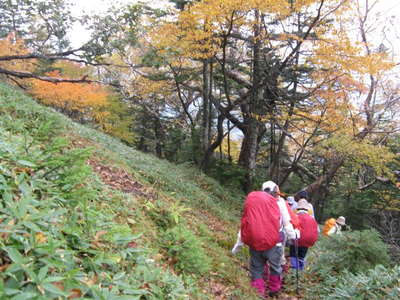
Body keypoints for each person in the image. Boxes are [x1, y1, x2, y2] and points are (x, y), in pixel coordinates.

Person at [238, 181, 296, 298]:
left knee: (256, 267)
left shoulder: (254, 202)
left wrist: (239, 242)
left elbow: (245, 222)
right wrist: (293, 236)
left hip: (255, 241)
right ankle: (274, 289)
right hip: (275, 242)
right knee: (275, 266)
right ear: (276, 192)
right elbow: (286, 223)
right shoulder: (280, 203)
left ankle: (258, 291)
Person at [289, 200, 319, 270]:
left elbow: (290, 228)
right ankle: (301, 269)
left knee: (293, 256)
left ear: (297, 209)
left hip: (295, 240)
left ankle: (294, 270)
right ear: (307, 210)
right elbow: (316, 230)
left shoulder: (295, 217)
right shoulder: (312, 219)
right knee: (302, 256)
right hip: (307, 242)